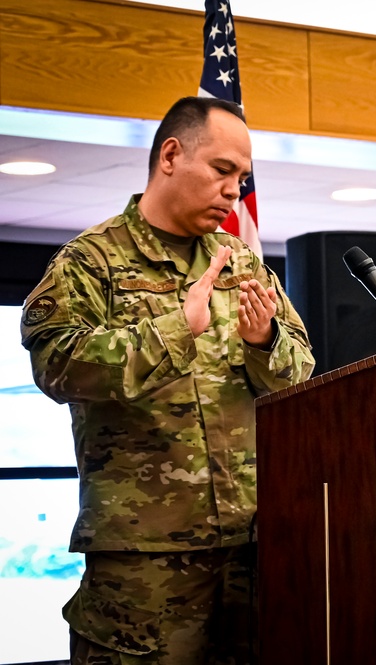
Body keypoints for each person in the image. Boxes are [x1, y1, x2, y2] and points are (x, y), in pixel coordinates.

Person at [20, 96, 315, 665]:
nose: (233, 190)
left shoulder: (244, 263)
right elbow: (58, 365)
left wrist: (264, 345)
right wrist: (175, 328)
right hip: (144, 556)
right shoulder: (90, 263)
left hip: (255, 546)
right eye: (223, 170)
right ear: (172, 156)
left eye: (243, 177)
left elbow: (299, 374)